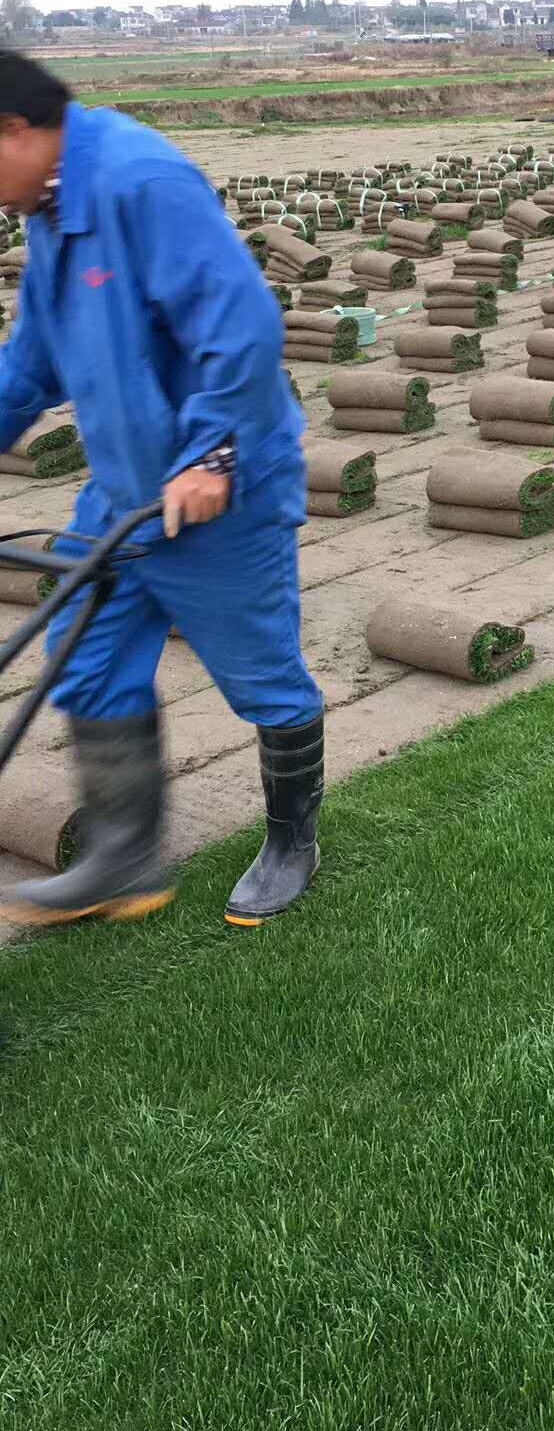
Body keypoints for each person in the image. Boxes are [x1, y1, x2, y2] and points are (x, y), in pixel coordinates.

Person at [0, 52, 323, 929]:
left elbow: (242, 320)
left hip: (220, 493)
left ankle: (294, 840)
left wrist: (211, 454)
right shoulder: (46, 207)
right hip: (121, 493)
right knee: (88, 657)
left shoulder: (141, 180)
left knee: (262, 676)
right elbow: (32, 358)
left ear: (18, 132)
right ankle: (124, 859)